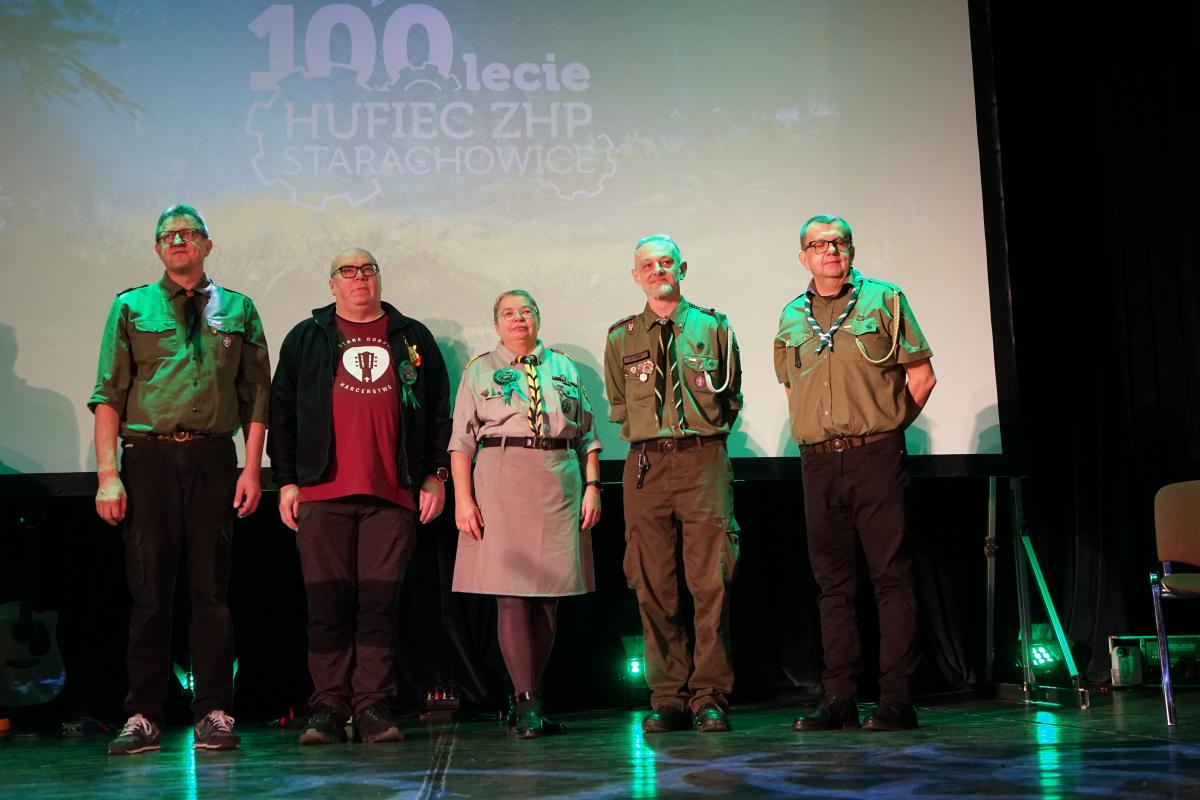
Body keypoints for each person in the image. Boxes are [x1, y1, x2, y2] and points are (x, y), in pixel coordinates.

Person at [90, 204, 270, 755]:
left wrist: (252, 468)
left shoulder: (238, 308)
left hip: (213, 459)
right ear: (157, 248)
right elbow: (108, 394)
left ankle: (213, 711)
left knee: (211, 591)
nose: (178, 241)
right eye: (168, 235)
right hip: (149, 461)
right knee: (149, 595)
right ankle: (143, 714)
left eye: (189, 233)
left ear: (207, 245)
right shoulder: (130, 306)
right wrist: (108, 476)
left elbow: (256, 396)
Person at [268, 247, 451, 745]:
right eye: (347, 271)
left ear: (379, 279)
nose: (359, 278)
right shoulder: (306, 337)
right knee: (326, 605)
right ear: (332, 284)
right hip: (321, 491)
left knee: (378, 605)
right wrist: (287, 480)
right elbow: (281, 413)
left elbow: (438, 410)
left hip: (392, 493)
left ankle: (371, 705)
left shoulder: (412, 337)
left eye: (368, 269)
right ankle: (328, 706)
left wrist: (435, 475)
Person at [775, 214, 936, 733]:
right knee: (833, 586)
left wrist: (886, 427)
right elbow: (791, 388)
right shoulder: (791, 316)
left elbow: (922, 376)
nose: (830, 250)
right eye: (818, 244)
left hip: (875, 457)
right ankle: (838, 699)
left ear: (851, 250)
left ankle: (896, 700)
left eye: (839, 242)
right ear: (803, 256)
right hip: (819, 462)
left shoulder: (884, 299)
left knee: (891, 577)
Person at [603, 234, 742, 734]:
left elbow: (731, 398)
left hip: (702, 460)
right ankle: (668, 697)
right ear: (635, 275)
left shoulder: (714, 327)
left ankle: (710, 696)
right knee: (652, 584)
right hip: (646, 465)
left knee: (711, 582)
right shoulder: (620, 337)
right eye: (648, 264)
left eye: (667, 262)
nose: (658, 270)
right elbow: (620, 405)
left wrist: (696, 437)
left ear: (682, 269)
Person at [449, 290, 602, 738]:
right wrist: (463, 499)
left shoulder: (563, 367)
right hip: (502, 477)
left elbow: (588, 435)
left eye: (526, 312)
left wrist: (593, 486)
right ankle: (526, 700)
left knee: (549, 596)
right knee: (512, 594)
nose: (518, 319)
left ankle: (531, 699)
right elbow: (461, 442)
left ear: (538, 318)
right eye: (508, 313)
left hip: (558, 478)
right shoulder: (479, 370)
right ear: (496, 324)